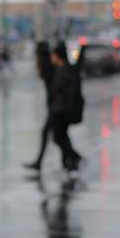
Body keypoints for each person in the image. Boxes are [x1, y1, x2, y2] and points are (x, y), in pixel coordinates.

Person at [50, 42, 83, 172]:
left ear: (58, 55)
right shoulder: (61, 69)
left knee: (58, 137)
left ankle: (75, 157)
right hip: (61, 109)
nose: (51, 57)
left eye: (53, 55)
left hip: (63, 110)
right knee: (63, 136)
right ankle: (68, 162)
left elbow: (65, 91)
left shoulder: (65, 70)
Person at [23, 41, 55, 171]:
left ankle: (74, 159)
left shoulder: (48, 67)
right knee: (59, 137)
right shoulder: (47, 66)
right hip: (53, 106)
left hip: (56, 107)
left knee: (53, 135)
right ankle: (72, 159)